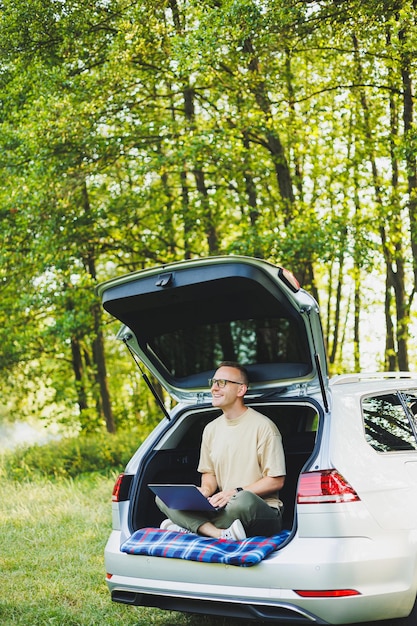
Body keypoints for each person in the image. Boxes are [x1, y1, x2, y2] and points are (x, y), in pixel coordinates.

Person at [157, 361, 286, 540]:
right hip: (222, 508)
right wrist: (206, 491)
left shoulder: (264, 427)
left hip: (260, 510)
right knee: (164, 497)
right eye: (213, 382)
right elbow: (209, 473)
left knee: (242, 500)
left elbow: (276, 481)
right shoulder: (210, 429)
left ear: (241, 390)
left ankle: (191, 527)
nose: (214, 388)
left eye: (222, 383)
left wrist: (234, 492)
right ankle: (218, 533)